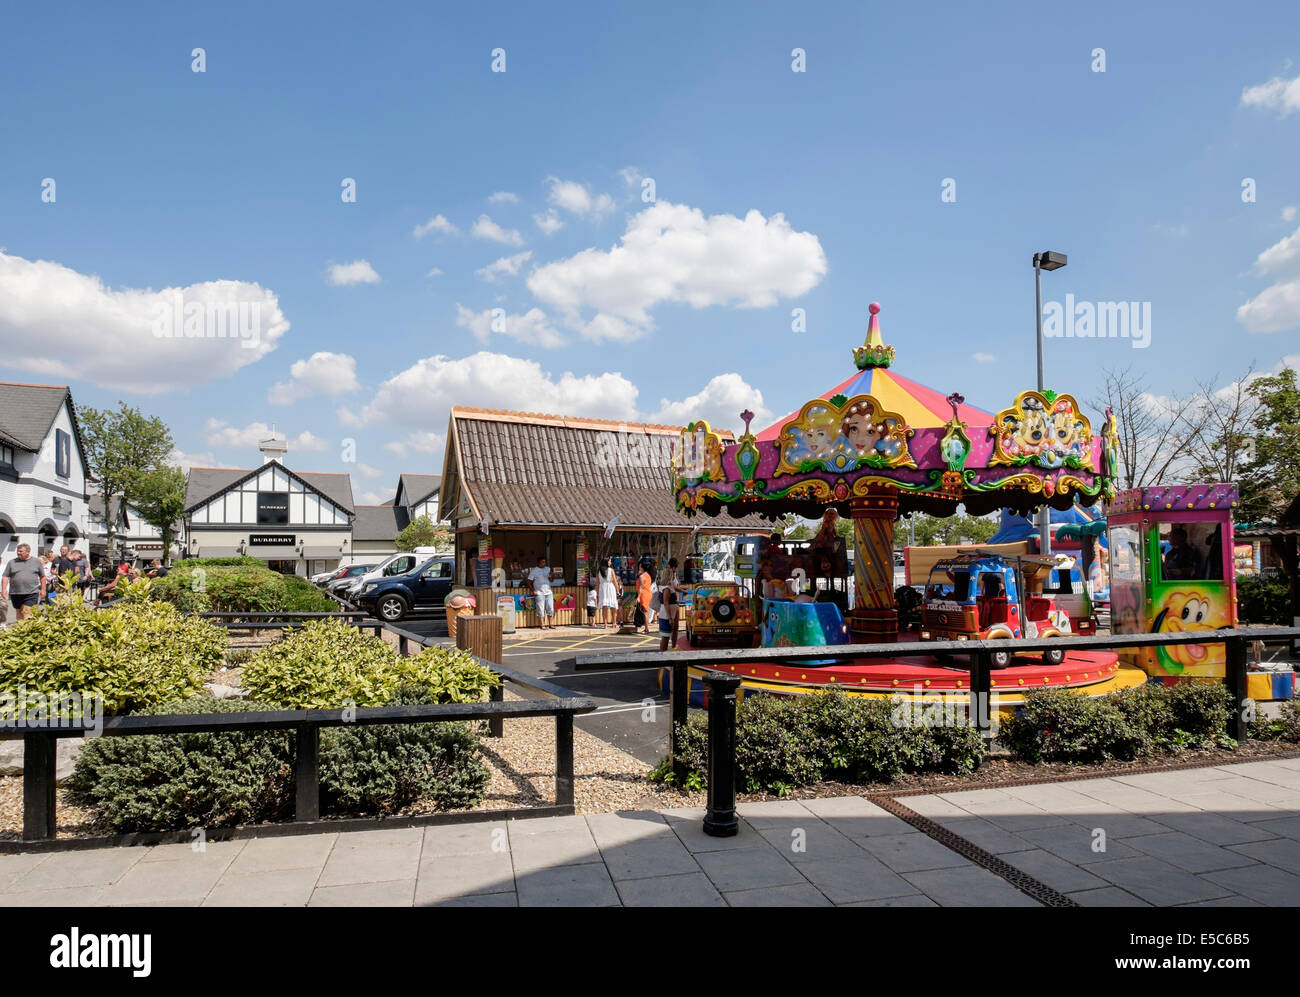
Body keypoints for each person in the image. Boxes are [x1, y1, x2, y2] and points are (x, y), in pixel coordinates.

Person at [2, 544, 47, 621]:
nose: (18, 553)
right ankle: (20, 630)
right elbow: (5, 577)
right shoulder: (12, 562)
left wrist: (43, 589)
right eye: (18, 551)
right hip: (16, 592)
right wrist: (3, 589)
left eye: (21, 551)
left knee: (26, 611)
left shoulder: (36, 562)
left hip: (31, 592)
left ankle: (27, 630)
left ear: (28, 552)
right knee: (19, 612)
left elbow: (42, 577)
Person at [527, 555, 556, 629]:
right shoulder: (534, 571)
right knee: (540, 609)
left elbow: (552, 580)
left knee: (550, 608)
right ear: (538, 563)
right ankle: (542, 625)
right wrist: (533, 591)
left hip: (549, 592)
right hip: (539, 593)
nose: (544, 563)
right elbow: (528, 582)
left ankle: (551, 624)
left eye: (545, 562)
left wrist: (551, 576)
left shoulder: (548, 569)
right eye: (543, 562)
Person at [597, 557, 619, 629]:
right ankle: (614, 623)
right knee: (613, 606)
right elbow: (615, 581)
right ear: (606, 562)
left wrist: (597, 593)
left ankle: (605, 624)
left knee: (604, 607)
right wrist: (617, 590)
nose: (610, 562)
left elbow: (597, 583)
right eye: (609, 561)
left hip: (602, 588)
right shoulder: (611, 570)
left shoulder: (599, 571)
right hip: (610, 588)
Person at [635, 558, 654, 635]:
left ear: (641, 567)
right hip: (648, 593)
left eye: (640, 566)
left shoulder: (642, 576)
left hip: (643, 594)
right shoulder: (648, 575)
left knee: (645, 612)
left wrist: (638, 597)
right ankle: (646, 628)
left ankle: (646, 629)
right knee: (645, 612)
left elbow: (640, 587)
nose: (639, 567)